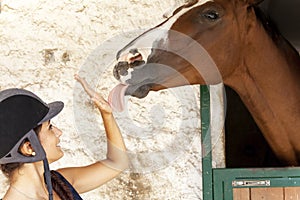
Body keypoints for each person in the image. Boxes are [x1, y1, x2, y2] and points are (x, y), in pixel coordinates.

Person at [0, 74, 129, 200]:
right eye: (50, 128)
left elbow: (117, 163)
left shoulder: (59, 184)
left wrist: (106, 114)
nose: (59, 132)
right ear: (29, 147)